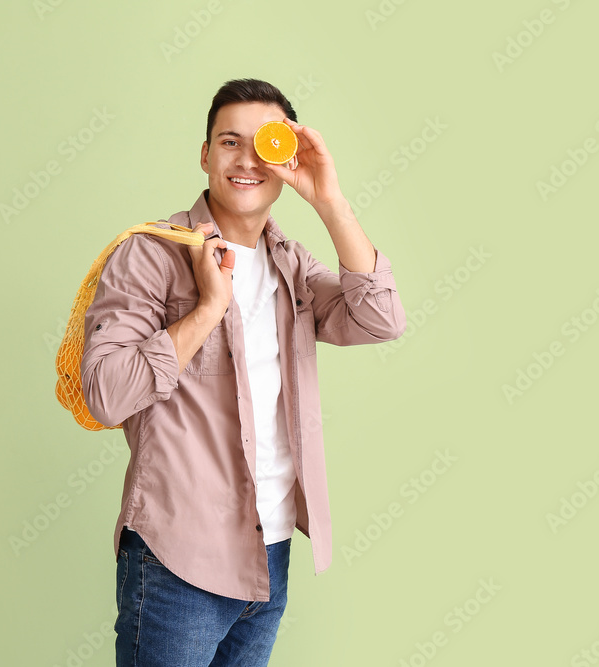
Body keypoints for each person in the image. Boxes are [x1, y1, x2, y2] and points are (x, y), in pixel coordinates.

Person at [80, 78, 406, 666]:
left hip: (271, 550)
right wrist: (208, 308)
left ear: (286, 161)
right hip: (178, 555)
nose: (247, 159)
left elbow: (381, 318)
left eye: (266, 145)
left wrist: (329, 201)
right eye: (230, 142)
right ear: (205, 154)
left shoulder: (292, 264)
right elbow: (106, 395)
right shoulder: (151, 254)